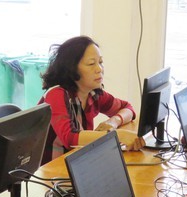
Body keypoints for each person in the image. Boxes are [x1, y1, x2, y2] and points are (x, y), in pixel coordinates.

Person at [39, 35, 145, 164]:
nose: (99, 69)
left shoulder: (93, 94)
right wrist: (117, 136)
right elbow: (70, 138)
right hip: (48, 171)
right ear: (71, 68)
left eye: (100, 62)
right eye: (91, 63)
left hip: (78, 163)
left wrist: (113, 122)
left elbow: (128, 108)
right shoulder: (56, 95)